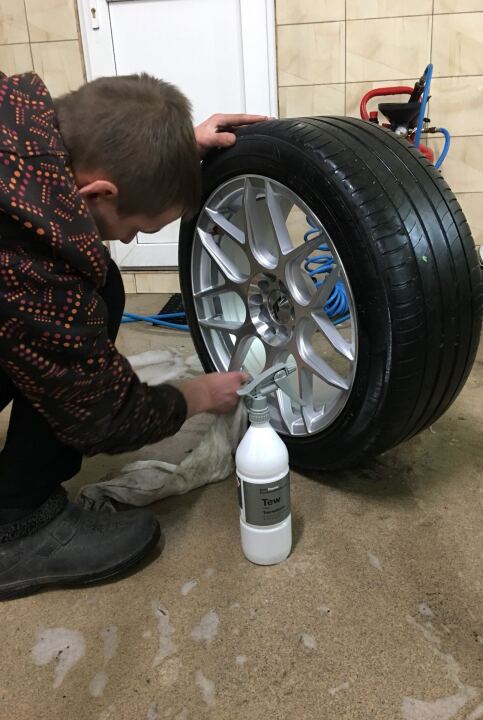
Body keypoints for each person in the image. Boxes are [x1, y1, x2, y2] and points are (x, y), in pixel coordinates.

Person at [0, 70, 267, 599]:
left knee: (99, 282)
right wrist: (195, 395)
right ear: (99, 191)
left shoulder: (19, 115)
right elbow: (102, 417)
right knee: (91, 290)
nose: (126, 240)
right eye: (139, 229)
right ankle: (17, 527)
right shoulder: (26, 262)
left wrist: (165, 154)